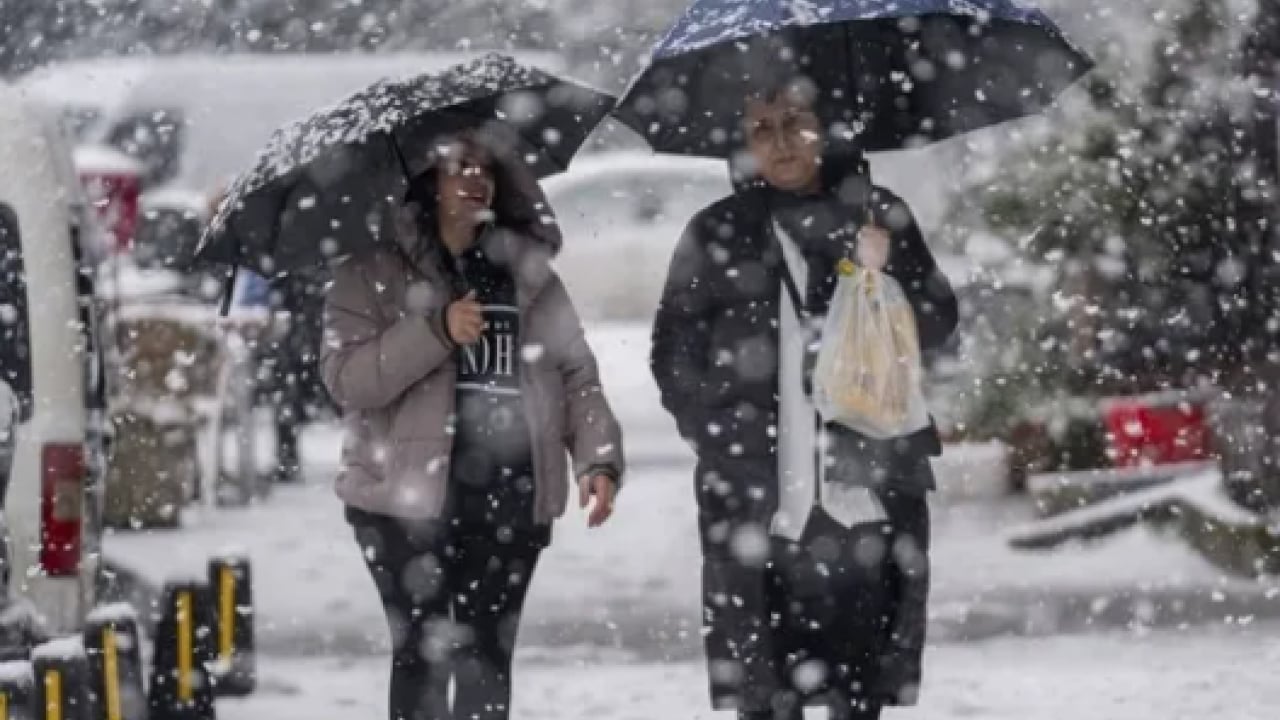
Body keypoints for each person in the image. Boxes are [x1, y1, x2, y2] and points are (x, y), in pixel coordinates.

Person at [651, 75, 958, 720]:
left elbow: (938, 324)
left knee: (860, 690)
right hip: (762, 509)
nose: (781, 142)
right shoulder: (717, 232)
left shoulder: (879, 212)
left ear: (828, 128)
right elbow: (672, 351)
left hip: (866, 498)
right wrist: (719, 435)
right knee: (765, 694)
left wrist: (886, 270)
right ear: (741, 144)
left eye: (795, 122)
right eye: (762, 129)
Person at [320, 129, 625, 720]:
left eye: (485, 167)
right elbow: (347, 379)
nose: (474, 178)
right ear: (426, 182)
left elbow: (576, 376)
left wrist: (599, 458)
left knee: (487, 657)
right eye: (457, 165)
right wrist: (434, 331)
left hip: (509, 497)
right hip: (401, 505)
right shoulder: (370, 271)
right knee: (421, 656)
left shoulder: (527, 273)